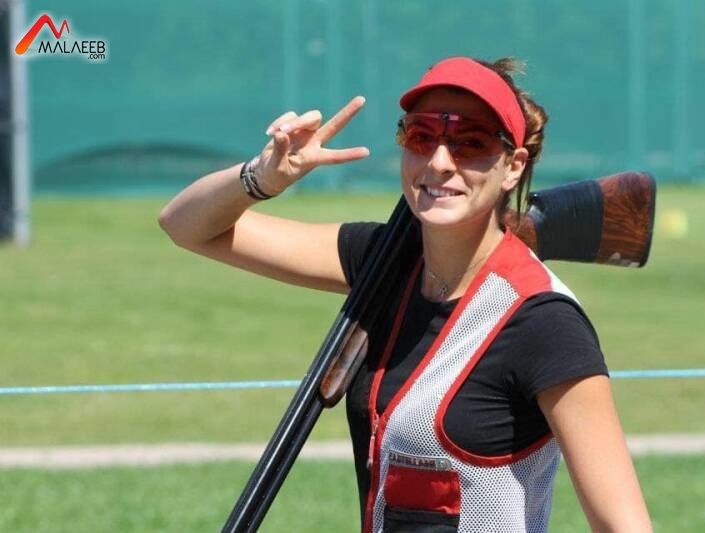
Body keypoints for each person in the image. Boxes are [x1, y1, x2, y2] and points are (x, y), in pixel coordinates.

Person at [159, 56, 652, 532]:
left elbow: (623, 525)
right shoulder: (382, 260)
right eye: (422, 136)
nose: (439, 161)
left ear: (513, 166)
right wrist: (262, 178)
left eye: (471, 142)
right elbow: (185, 226)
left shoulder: (545, 321)